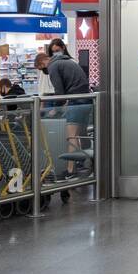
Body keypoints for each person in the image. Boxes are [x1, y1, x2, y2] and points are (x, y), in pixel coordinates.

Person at [35, 45, 91, 194]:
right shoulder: (67, 61)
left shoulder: (53, 66)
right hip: (87, 99)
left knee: (71, 136)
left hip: (76, 100)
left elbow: (59, 92)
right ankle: (88, 165)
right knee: (82, 135)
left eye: (41, 68)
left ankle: (71, 170)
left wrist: (55, 109)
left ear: (43, 62)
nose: (43, 71)